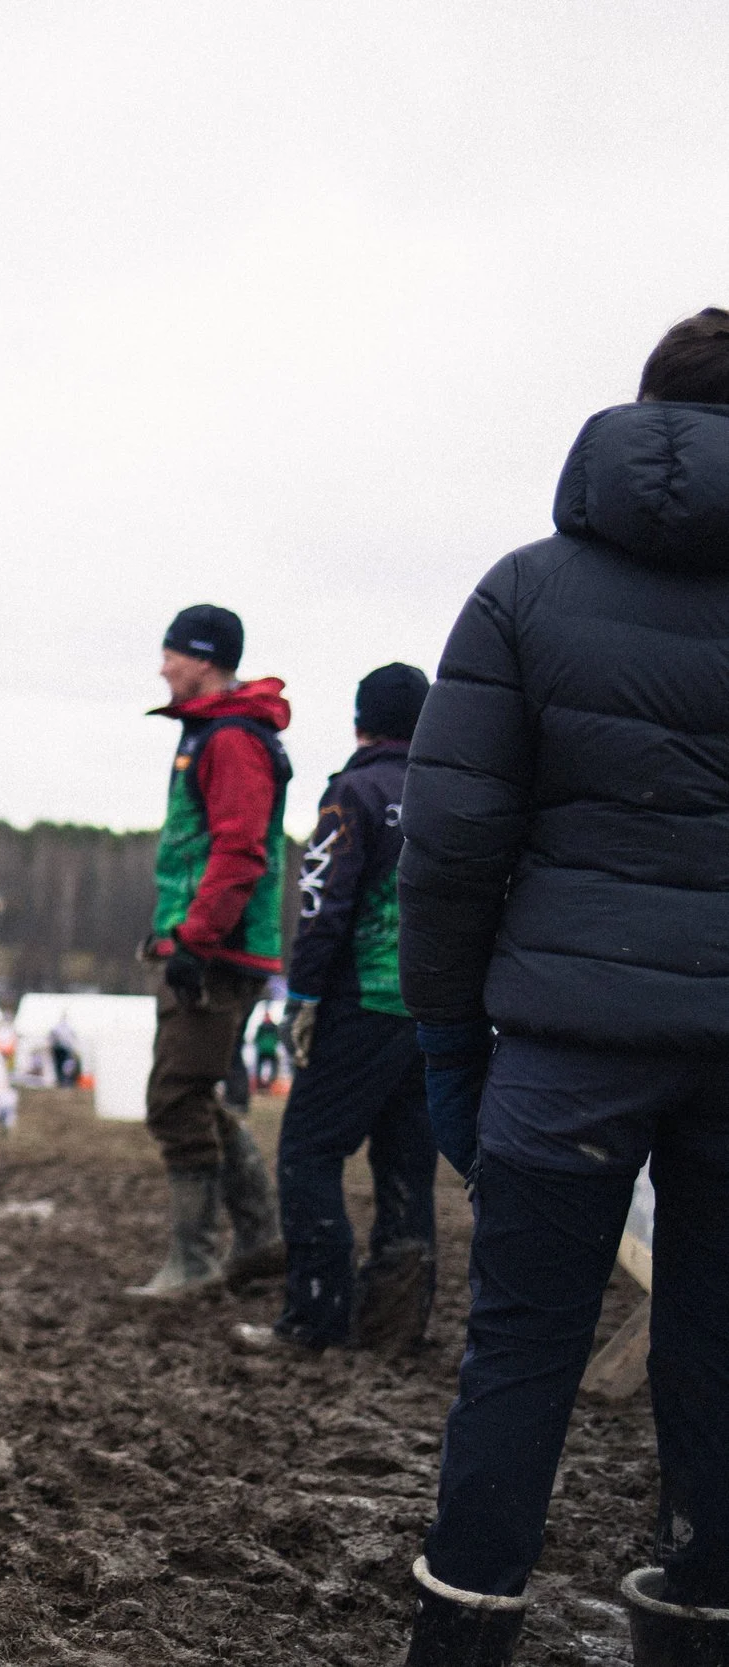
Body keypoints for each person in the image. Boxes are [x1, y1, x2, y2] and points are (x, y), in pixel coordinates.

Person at [396, 309, 729, 1667]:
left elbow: (455, 838)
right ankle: (699, 1624)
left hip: (564, 1039)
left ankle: (466, 1629)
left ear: (642, 409)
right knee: (718, 1355)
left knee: (523, 1349)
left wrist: (444, 1032)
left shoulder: (525, 589)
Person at [238, 663, 436, 1357]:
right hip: (437, 1013)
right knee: (408, 1162)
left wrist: (306, 996)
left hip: (362, 1001)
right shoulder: (455, 795)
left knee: (308, 1153)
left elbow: (324, 905)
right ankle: (397, 1323)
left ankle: (315, 1318)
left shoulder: (353, 792)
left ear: (360, 721)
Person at [124, 604, 292, 1300]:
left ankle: (198, 1256)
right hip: (210, 945)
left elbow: (239, 849)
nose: (162, 666)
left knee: (173, 1097)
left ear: (205, 658)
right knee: (192, 1092)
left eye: (173, 653)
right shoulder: (215, 734)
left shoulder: (230, 740)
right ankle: (258, 1236)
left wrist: (194, 938)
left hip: (216, 951)